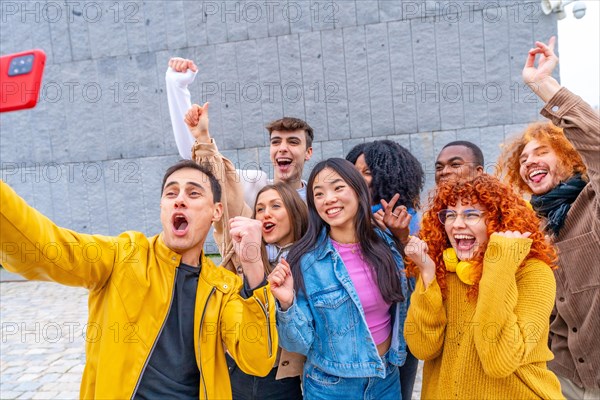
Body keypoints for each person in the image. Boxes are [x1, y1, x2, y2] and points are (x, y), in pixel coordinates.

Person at [0, 160, 277, 399]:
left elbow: (258, 360)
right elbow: (46, 249)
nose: (179, 199)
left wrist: (253, 266)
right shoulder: (124, 255)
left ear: (216, 211)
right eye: (171, 193)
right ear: (162, 207)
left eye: (193, 193)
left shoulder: (222, 287)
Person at [498, 37, 600, 398]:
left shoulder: (593, 202)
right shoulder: (534, 228)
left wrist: (544, 86)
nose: (528, 163)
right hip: (563, 379)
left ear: (569, 156)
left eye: (541, 152)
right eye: (522, 160)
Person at [403, 174, 564, 399]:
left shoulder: (533, 273)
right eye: (450, 215)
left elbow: (499, 361)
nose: (457, 224)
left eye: (471, 214)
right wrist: (428, 274)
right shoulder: (441, 270)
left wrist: (499, 265)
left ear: (498, 220)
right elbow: (422, 347)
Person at [268, 158, 409, 399]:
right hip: (331, 387)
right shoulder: (305, 260)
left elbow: (406, 306)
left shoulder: (385, 244)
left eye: (337, 187)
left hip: (387, 378)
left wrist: (402, 239)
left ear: (357, 190)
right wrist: (286, 304)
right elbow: (297, 344)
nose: (329, 199)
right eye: (319, 194)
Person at [166, 57, 314, 272]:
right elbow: (206, 165)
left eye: (293, 142)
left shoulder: (318, 199)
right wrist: (177, 87)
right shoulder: (251, 184)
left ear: (308, 152)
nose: (283, 148)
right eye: (276, 142)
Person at [346, 139, 424, 399]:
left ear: (388, 176)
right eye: (354, 171)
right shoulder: (350, 217)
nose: (358, 178)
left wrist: (396, 237)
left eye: (367, 172)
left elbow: (414, 281)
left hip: (400, 334)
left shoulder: (405, 220)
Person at [227, 183, 308, 400]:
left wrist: (286, 303)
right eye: (260, 209)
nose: (265, 214)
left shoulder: (312, 260)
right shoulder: (242, 251)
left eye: (275, 206)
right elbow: (227, 194)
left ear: (295, 211)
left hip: (281, 378)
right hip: (237, 371)